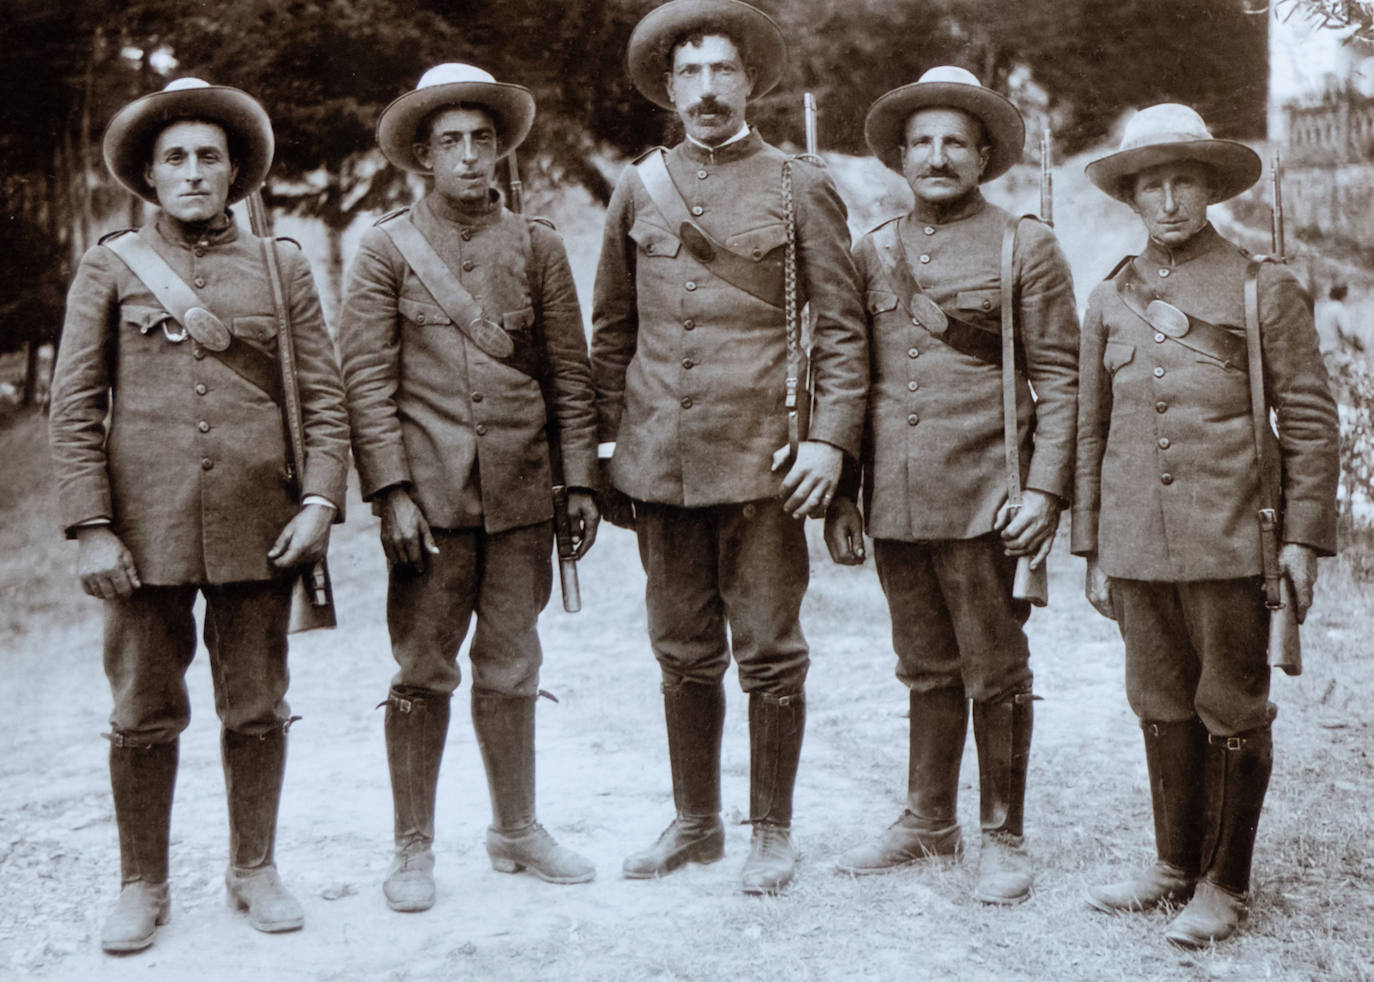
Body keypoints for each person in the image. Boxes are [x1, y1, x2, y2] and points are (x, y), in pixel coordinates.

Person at [48, 78, 350, 952]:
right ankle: (142, 883)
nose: (192, 171)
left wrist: (323, 499)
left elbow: (324, 400)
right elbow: (73, 409)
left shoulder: (280, 263)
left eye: (208, 157)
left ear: (235, 173)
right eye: (174, 157)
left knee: (257, 706)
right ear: (149, 173)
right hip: (143, 535)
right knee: (143, 711)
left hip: (262, 525)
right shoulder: (109, 265)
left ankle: (253, 868)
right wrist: (92, 526)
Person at [590, 0, 867, 895]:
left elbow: (844, 331)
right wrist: (605, 454)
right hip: (660, 462)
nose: (707, 90)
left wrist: (830, 443)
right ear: (669, 89)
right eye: (690, 75)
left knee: (771, 651)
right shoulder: (639, 186)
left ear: (749, 81)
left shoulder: (798, 184)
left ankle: (772, 832)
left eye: (723, 72)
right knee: (679, 650)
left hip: (764, 465)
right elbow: (613, 330)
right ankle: (695, 821)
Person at [337, 63, 600, 913]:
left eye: (482, 139)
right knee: (420, 672)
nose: (469, 156)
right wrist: (391, 493)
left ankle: (515, 830)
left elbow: (569, 373)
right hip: (432, 506)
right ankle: (412, 847)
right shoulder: (384, 249)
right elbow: (365, 385)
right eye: (449, 141)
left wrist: (579, 482)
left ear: (500, 149)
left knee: (514, 667)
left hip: (524, 498)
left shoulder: (538, 245)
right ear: (422, 154)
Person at [1075, 103, 1340, 946]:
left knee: (1231, 705)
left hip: (1233, 537)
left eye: (1182, 180)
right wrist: (1091, 546)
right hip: (1136, 544)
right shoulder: (1111, 295)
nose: (1166, 201)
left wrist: (1300, 538)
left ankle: (1225, 884)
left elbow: (1307, 418)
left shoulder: (1264, 285)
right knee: (1157, 699)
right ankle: (1171, 865)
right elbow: (1092, 428)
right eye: (1149, 185)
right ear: (1132, 196)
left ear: (1210, 187)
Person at [824, 66, 1080, 905]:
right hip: (898, 500)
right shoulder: (872, 251)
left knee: (995, 670)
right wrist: (844, 494)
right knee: (923, 666)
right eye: (922, 142)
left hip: (987, 497)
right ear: (900, 156)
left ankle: (1004, 837)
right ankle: (928, 820)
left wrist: (1042, 494)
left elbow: (1061, 379)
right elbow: (849, 379)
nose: (937, 156)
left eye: (955, 143)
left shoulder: (1024, 245)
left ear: (983, 155)